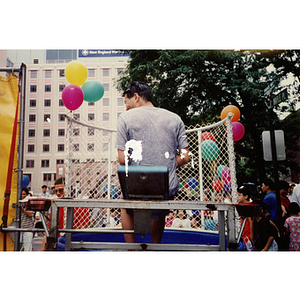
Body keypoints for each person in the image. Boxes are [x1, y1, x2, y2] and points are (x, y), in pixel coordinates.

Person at [115, 81, 190, 243]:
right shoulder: (175, 118)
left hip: (136, 187)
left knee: (125, 202)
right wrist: (168, 163)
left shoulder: (125, 118)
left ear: (136, 97)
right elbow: (185, 156)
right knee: (160, 202)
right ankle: (156, 246)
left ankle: (131, 249)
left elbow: (122, 160)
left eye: (127, 104)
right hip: (166, 187)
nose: (126, 108)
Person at [237, 185, 253, 251]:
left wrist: (251, 237)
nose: (238, 197)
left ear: (246, 196)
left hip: (248, 237)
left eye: (240, 195)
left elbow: (251, 222)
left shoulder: (249, 206)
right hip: (243, 236)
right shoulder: (241, 206)